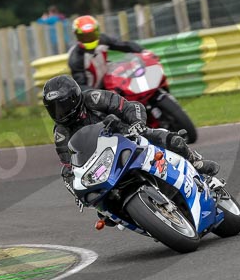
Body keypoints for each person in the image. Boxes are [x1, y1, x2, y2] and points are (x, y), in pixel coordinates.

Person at [42, 75, 218, 202]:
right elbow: (68, 166)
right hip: (102, 163)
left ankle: (195, 162)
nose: (60, 112)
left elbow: (129, 106)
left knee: (171, 139)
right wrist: (75, 189)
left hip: (127, 136)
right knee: (101, 201)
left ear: (74, 98)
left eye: (63, 105)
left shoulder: (94, 98)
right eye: (54, 108)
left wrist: (137, 123)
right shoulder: (61, 133)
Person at [69, 15, 142, 90]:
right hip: (92, 93)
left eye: (92, 35)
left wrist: (142, 50)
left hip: (109, 83)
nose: (89, 39)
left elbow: (123, 45)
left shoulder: (103, 40)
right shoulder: (76, 57)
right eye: (85, 37)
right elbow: (81, 85)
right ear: (77, 36)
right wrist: (100, 94)